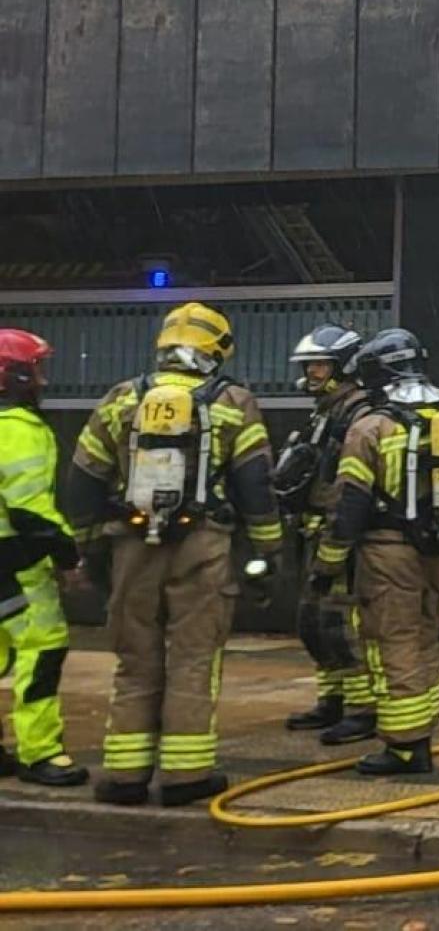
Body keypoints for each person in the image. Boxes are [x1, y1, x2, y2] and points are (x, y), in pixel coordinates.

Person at [62, 302, 282, 806]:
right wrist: (268, 551)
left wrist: (90, 547)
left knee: (134, 659)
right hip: (203, 545)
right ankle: (186, 777)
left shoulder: (121, 398)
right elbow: (255, 485)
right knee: (192, 658)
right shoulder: (233, 402)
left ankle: (124, 776)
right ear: (218, 351)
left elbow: (84, 479)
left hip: (131, 546)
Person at [309, 330, 439, 777]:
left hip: (387, 552)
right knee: (424, 636)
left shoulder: (371, 426)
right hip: (437, 549)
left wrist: (328, 562)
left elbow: (349, 504)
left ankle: (406, 747)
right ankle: (422, 730)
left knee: (394, 642)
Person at [273, 325, 377, 745]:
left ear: (344, 367)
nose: (311, 373)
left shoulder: (358, 414)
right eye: (309, 366)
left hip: (340, 537)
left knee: (338, 623)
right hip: (313, 530)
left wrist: (336, 542)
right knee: (312, 622)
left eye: (319, 365)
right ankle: (331, 699)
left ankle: (362, 709)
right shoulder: (326, 411)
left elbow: (349, 487)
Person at [0, 329, 88, 786]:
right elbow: (30, 509)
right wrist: (68, 555)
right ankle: (40, 753)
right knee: (42, 652)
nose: (42, 381)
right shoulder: (19, 430)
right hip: (18, 563)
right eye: (35, 370)